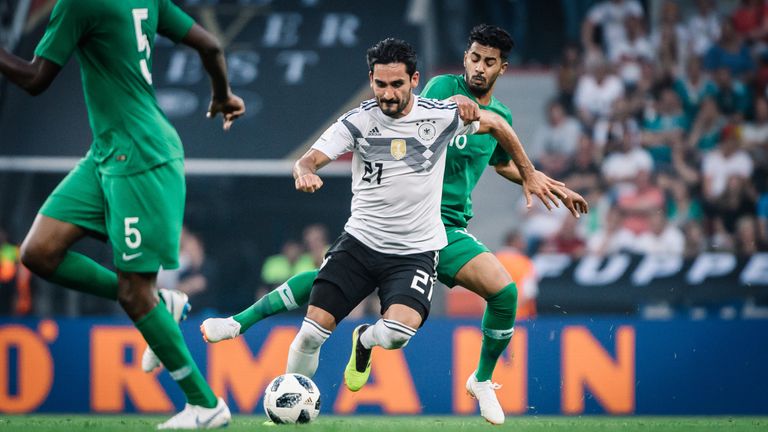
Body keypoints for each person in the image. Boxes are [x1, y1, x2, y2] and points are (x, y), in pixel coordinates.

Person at [201, 27, 588, 425]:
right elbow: (421, 110)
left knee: (501, 294)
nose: (478, 67)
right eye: (474, 57)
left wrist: (532, 175)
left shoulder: (479, 115)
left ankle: (475, 377)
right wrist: (305, 169)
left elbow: (497, 149)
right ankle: (249, 333)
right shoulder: (436, 90)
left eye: (488, 61)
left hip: (437, 230)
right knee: (322, 300)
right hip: (383, 227)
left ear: (502, 68)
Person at [0, 0, 245, 428]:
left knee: (136, 293)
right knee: (38, 253)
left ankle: (205, 405)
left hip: (139, 156)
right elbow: (209, 45)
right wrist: (222, 95)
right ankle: (162, 302)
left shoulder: (78, 4)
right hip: (106, 152)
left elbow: (36, 78)